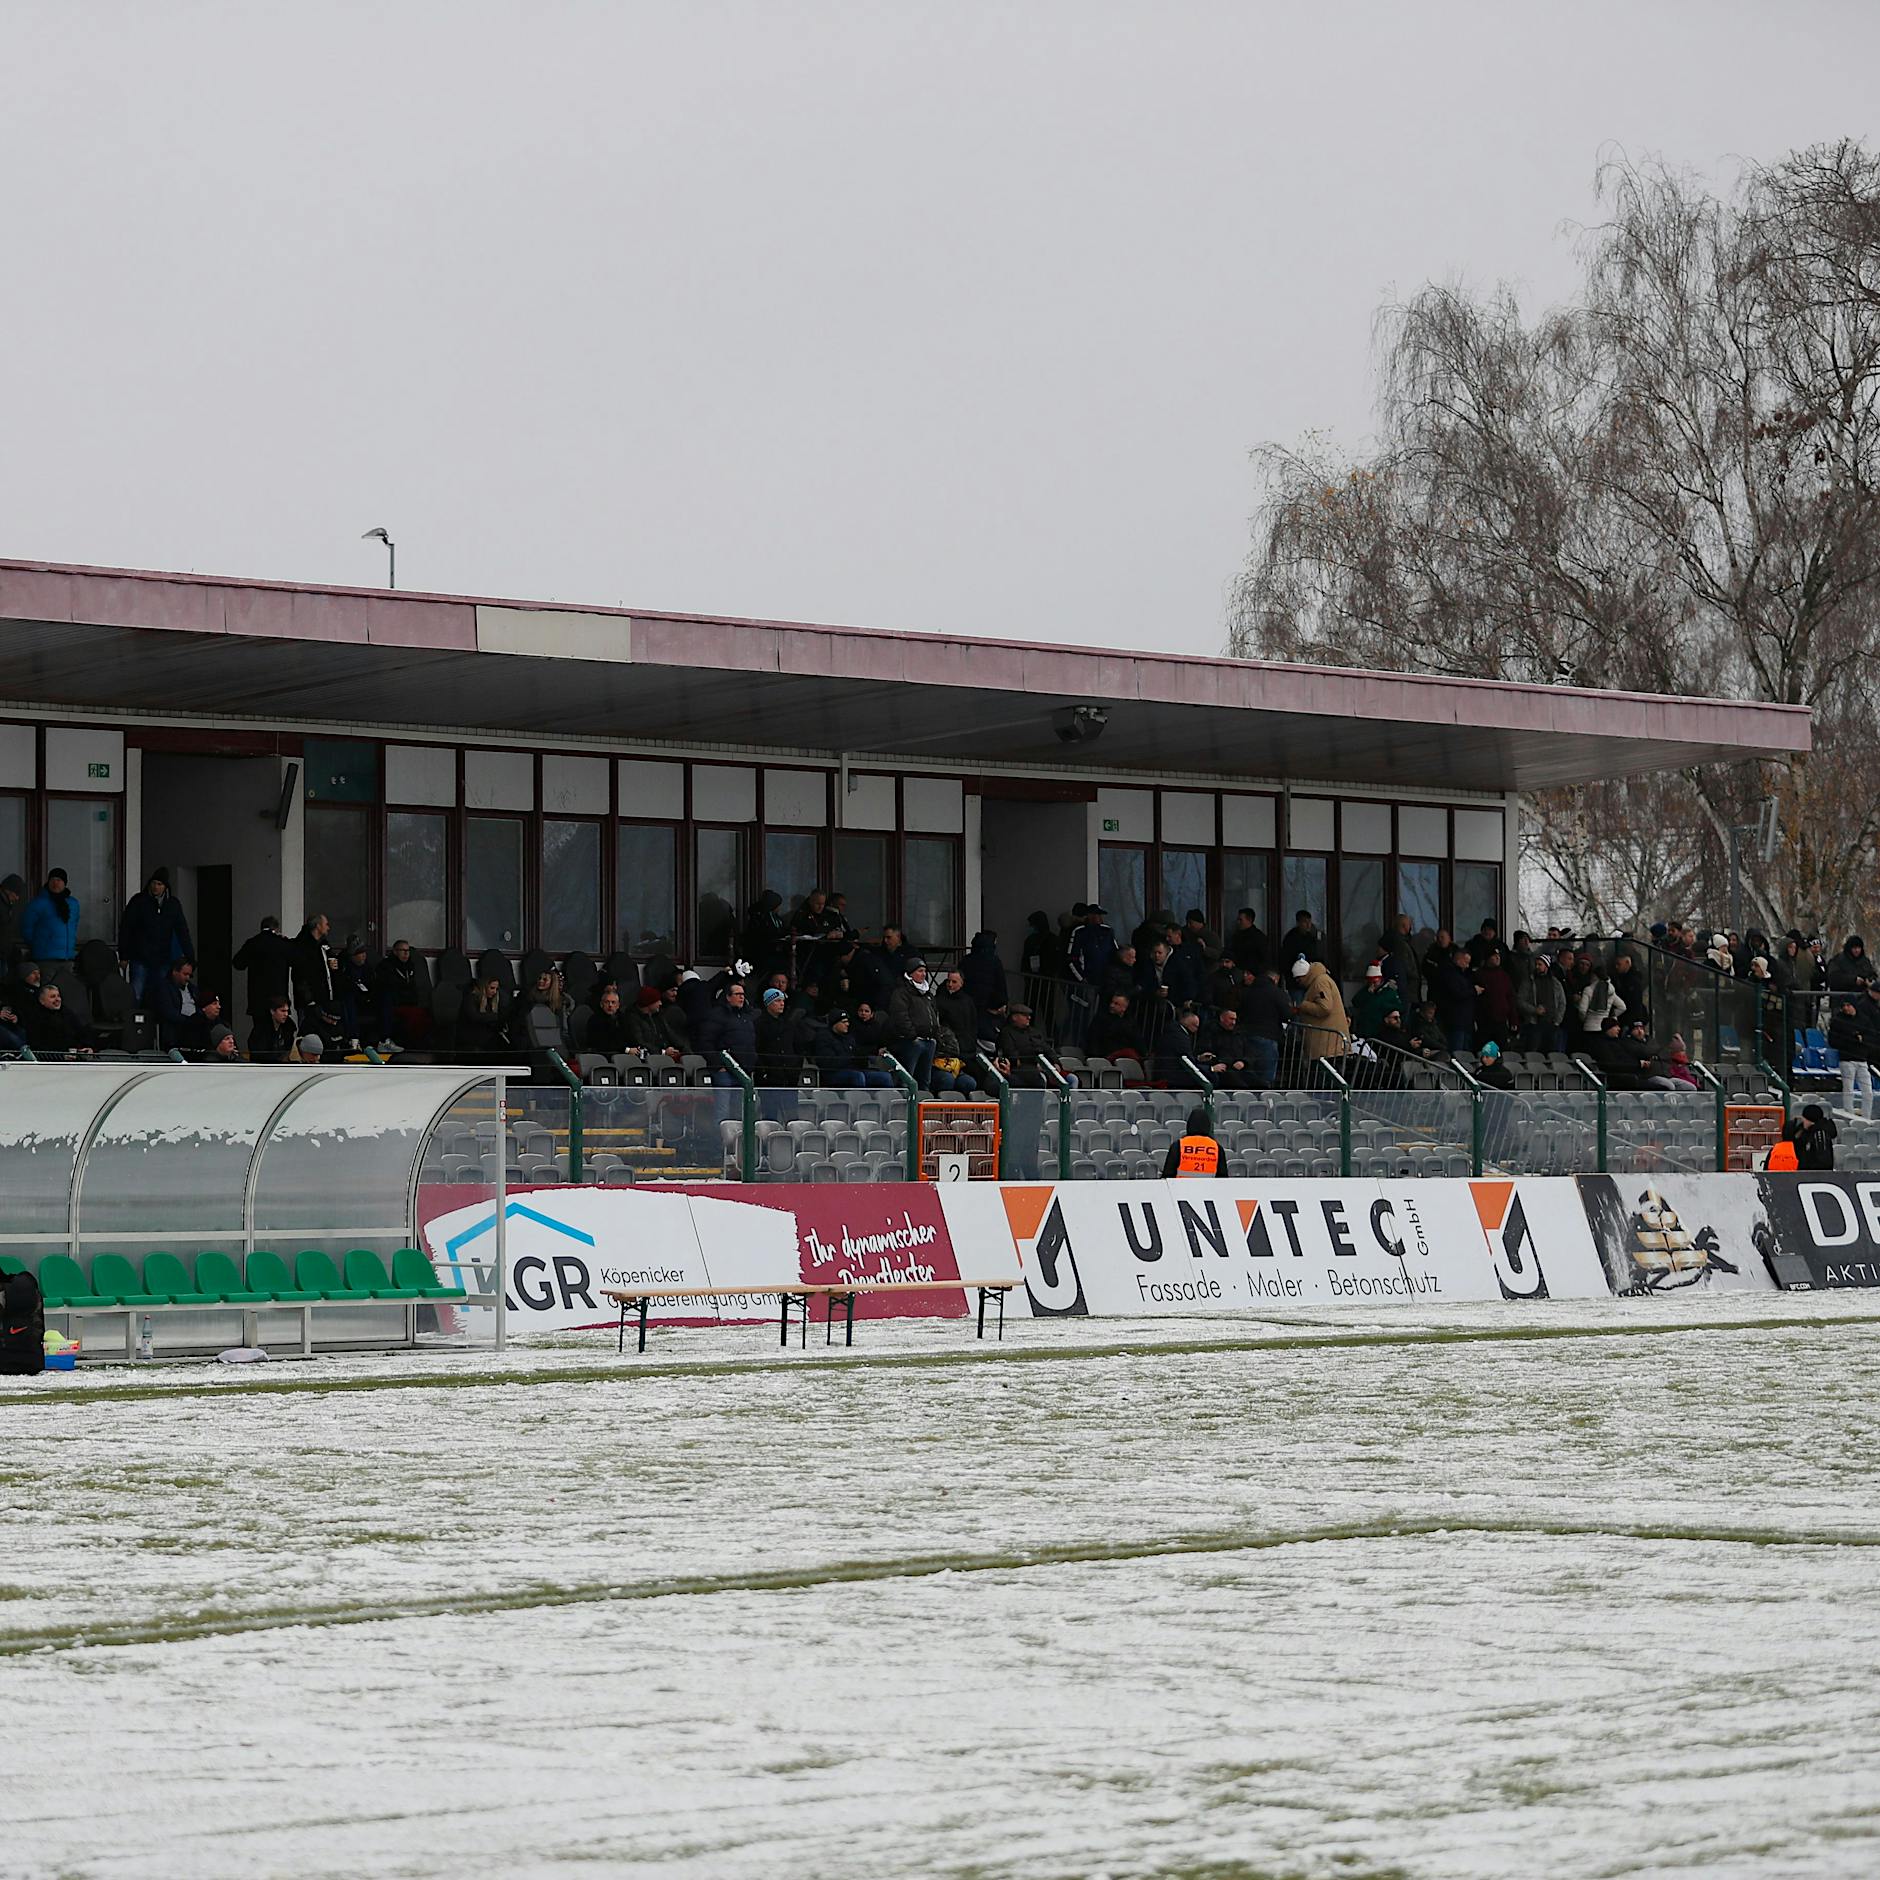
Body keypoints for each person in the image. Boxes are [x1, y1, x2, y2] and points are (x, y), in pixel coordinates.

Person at [118, 869, 193, 1005]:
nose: (155, 887)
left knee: (160, 995)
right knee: (137, 994)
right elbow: (126, 928)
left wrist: (190, 957)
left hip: (162, 958)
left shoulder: (172, 905)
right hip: (140, 956)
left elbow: (183, 931)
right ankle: (136, 1024)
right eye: (154, 883)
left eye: (159, 884)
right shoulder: (139, 901)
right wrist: (124, 955)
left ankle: (155, 1024)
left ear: (165, 887)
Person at [886, 958, 942, 1088]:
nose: (923, 974)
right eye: (920, 971)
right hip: (912, 1042)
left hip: (930, 1041)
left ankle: (922, 1103)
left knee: (925, 1080)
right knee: (907, 1078)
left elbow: (935, 1014)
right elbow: (900, 1016)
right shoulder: (901, 993)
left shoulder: (928, 994)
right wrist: (912, 1035)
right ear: (910, 973)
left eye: (925, 971)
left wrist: (935, 1035)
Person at [233, 915, 296, 1026]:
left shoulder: (252, 943)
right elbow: (295, 961)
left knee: (260, 1031)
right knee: (277, 1032)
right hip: (278, 997)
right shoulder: (282, 944)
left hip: (258, 998)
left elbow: (238, 964)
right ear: (276, 929)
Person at [375, 939, 433, 1047]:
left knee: (425, 1014)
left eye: (408, 950)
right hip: (393, 1002)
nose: (406, 953)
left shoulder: (410, 967)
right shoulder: (386, 966)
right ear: (395, 951)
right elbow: (387, 986)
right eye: (402, 950)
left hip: (409, 1002)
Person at [1292, 957, 1348, 1063]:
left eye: (1298, 979)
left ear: (1304, 976)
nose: (1298, 983)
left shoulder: (1320, 982)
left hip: (1327, 1046)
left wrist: (1303, 1005)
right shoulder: (1320, 980)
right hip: (1328, 1044)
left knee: (1324, 1076)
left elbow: (1325, 1008)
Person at [699, 980, 758, 1080]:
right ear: (728, 997)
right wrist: (718, 1065)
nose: (741, 997)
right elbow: (706, 1042)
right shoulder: (716, 1015)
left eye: (743, 994)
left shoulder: (746, 1017)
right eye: (737, 994)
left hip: (745, 1071)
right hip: (726, 1072)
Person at [292, 914, 340, 1035]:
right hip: (309, 1001)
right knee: (308, 1033)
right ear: (318, 926)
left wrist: (334, 966)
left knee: (324, 1033)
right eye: (326, 924)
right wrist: (309, 1000)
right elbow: (299, 975)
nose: (328, 927)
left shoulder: (324, 944)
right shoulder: (303, 946)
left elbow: (331, 960)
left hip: (325, 998)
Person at [20, 869, 80, 964]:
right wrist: (39, 944)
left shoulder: (73, 904)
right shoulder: (38, 903)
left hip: (67, 957)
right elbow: (27, 927)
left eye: (59, 880)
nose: (55, 883)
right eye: (52, 880)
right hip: (45, 957)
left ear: (64, 883)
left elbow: (74, 924)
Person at [152, 958, 206, 1051]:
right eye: (185, 974)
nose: (188, 978)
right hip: (177, 1027)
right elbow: (168, 1012)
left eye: (190, 975)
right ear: (175, 972)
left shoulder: (193, 989)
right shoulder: (164, 988)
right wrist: (187, 1021)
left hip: (194, 1026)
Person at [24, 982, 92, 1056]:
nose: (57, 999)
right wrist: (62, 1056)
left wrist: (88, 1047)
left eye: (58, 996)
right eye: (53, 996)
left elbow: (81, 1032)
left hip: (75, 1055)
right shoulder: (35, 1017)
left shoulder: (67, 1013)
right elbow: (37, 1045)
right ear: (42, 1001)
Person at [1162, 1105, 1228, 1179]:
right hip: (1208, 1189)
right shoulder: (1217, 1148)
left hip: (1181, 1189)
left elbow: (1167, 1176)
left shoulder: (1178, 1146)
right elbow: (1223, 1180)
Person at [457, 975, 512, 1054]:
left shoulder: (491, 1000)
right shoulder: (470, 998)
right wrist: (497, 1017)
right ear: (484, 987)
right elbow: (474, 1017)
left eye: (496, 989)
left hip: (484, 1033)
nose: (495, 992)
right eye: (492, 988)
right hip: (470, 1034)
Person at [958, 931, 1008, 1014]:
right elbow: (1000, 984)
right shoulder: (994, 961)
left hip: (968, 1005)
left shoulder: (966, 960)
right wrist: (1002, 1002)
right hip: (989, 1006)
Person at [1350, 962, 1400, 1040]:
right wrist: (1368, 994)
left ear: (1380, 980)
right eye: (1370, 982)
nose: (1373, 984)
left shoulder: (1389, 992)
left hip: (1382, 1029)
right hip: (1365, 1028)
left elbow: (1398, 1006)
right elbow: (1355, 1001)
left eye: (1375, 982)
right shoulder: (1365, 991)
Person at [249, 995, 298, 1062]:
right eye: (283, 1011)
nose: (286, 1014)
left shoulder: (289, 1026)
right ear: (272, 1011)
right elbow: (259, 1053)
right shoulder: (261, 1029)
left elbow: (288, 1048)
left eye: (287, 1011)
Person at [0, 873, 24, 958]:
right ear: (8, 890)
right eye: (16, 894)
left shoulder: (7, 905)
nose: (17, 898)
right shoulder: (4, 906)